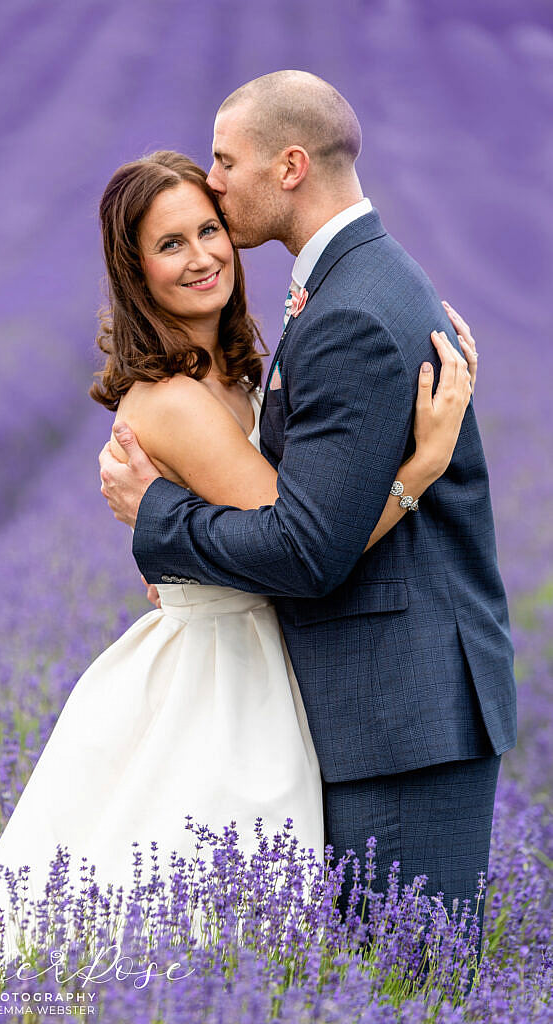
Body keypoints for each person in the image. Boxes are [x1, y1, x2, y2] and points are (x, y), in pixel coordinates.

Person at [0, 148, 473, 966]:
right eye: (170, 245)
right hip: (222, 673)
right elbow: (304, 546)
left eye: (209, 230)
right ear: (136, 273)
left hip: (257, 649)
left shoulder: (235, 376)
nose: (201, 256)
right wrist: (421, 469)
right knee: (211, 917)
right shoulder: (175, 401)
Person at [99, 72, 516, 940]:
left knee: (409, 980)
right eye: (172, 241)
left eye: (224, 163)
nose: (214, 182)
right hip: (369, 706)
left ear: (289, 166)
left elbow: (304, 550)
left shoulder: (349, 312)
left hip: (399, 715)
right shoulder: (357, 285)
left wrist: (160, 523)